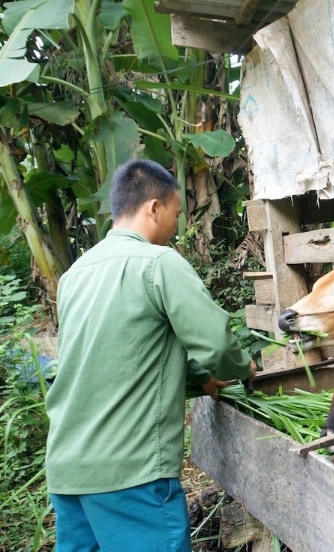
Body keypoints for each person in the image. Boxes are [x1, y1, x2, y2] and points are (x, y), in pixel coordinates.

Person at [45, 159, 257, 551]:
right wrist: (243, 368)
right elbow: (216, 344)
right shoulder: (158, 263)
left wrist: (199, 378)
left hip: (68, 468)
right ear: (154, 208)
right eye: (176, 214)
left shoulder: (75, 274)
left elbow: (120, 352)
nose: (176, 226)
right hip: (129, 473)